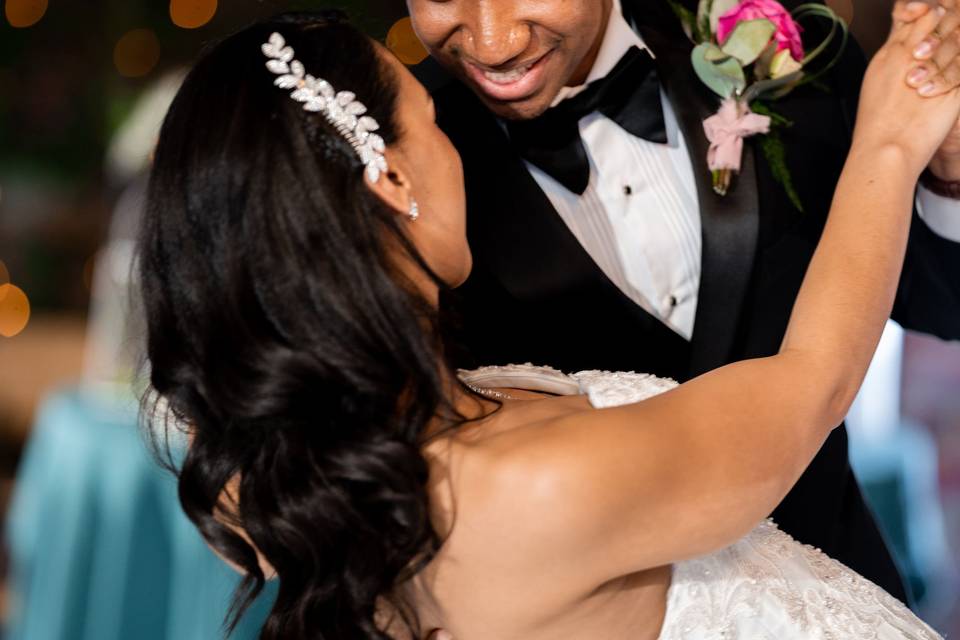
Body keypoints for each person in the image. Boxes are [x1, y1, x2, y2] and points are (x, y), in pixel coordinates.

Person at [138, 8, 959, 640]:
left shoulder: (316, 475)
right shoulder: (525, 484)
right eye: (428, 118)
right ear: (388, 177)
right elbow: (810, 384)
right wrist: (889, 142)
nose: (490, 40)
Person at [407, 0, 960, 605]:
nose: (493, 43)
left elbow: (939, 305)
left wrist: (947, 174)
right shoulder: (404, 151)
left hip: (837, 589)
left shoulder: (792, 50)